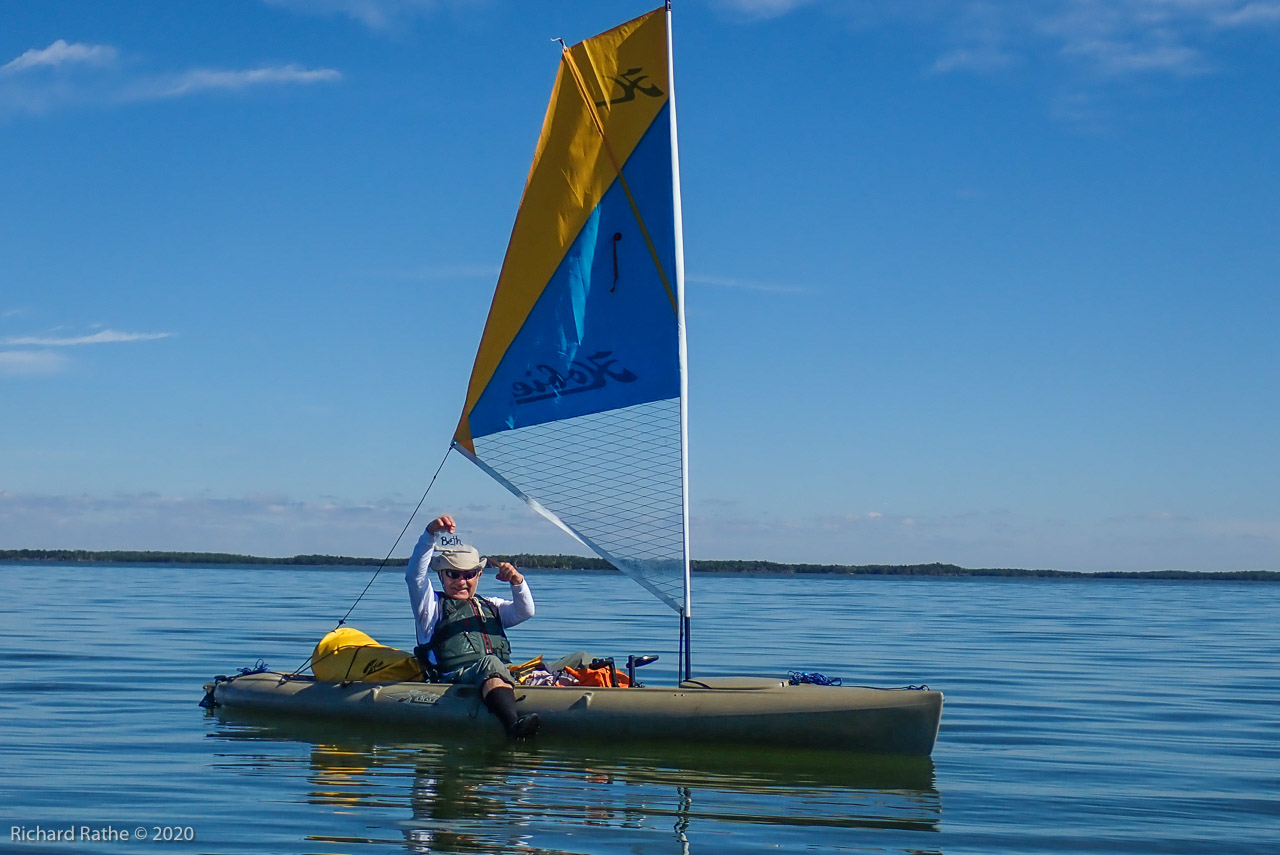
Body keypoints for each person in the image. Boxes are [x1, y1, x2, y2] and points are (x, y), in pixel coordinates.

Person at [406, 514, 539, 739]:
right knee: (491, 663)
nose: (461, 581)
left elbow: (525, 611)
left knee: (577, 659)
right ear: (441, 575)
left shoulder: (491, 605)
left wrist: (517, 582)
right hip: (456, 677)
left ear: (478, 575)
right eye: (453, 574)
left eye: (468, 575)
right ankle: (513, 726)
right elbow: (415, 577)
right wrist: (430, 534)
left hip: (500, 672)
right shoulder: (431, 608)